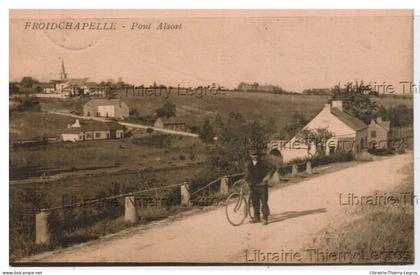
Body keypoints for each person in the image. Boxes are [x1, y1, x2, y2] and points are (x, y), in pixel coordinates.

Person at [244, 150, 275, 225]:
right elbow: (248, 174)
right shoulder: (249, 164)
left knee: (264, 202)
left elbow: (273, 168)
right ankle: (256, 218)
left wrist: (268, 176)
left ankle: (265, 218)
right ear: (250, 156)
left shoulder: (263, 163)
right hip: (253, 186)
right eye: (253, 155)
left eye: (256, 154)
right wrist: (244, 180)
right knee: (255, 202)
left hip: (262, 185)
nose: (254, 156)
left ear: (258, 155)